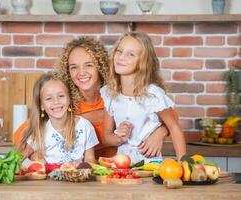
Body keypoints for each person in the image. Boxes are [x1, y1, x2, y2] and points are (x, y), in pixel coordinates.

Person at [14, 37, 169, 159]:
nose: (81, 72)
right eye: (74, 67)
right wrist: (39, 158)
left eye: (88, 65)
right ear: (68, 72)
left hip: (121, 167)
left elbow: (170, 118)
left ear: (100, 67)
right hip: (82, 173)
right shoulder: (64, 104)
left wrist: (160, 133)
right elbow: (21, 135)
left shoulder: (117, 96)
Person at [101, 32, 186, 163]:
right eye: (119, 51)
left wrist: (183, 163)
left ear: (143, 62)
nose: (121, 57)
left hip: (150, 166)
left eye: (131, 54)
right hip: (121, 166)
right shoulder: (109, 93)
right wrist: (120, 138)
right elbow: (107, 136)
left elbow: (174, 128)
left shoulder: (152, 94)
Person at [18, 73, 98, 163]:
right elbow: (17, 159)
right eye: (48, 98)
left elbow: (90, 159)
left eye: (61, 96)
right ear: (41, 106)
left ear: (69, 99)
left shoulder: (85, 126)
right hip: (50, 177)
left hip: (78, 176)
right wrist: (34, 156)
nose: (56, 102)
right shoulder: (39, 132)